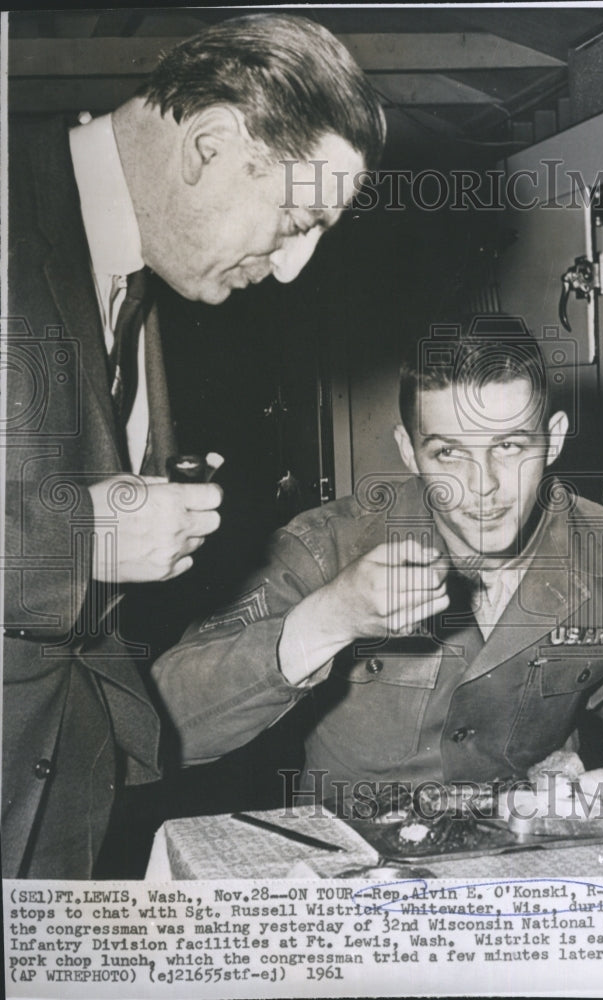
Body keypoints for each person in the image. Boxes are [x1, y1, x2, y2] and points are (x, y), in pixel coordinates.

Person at [2, 13, 385, 877]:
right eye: (296, 218)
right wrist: (79, 538)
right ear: (209, 145)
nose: (294, 267)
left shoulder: (136, 274)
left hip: (62, 786)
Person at [152, 316, 603, 807]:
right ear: (406, 450)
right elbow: (164, 729)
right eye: (449, 453)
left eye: (510, 447)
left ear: (554, 440)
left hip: (521, 860)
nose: (483, 485)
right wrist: (330, 618)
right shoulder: (327, 546)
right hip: (352, 868)